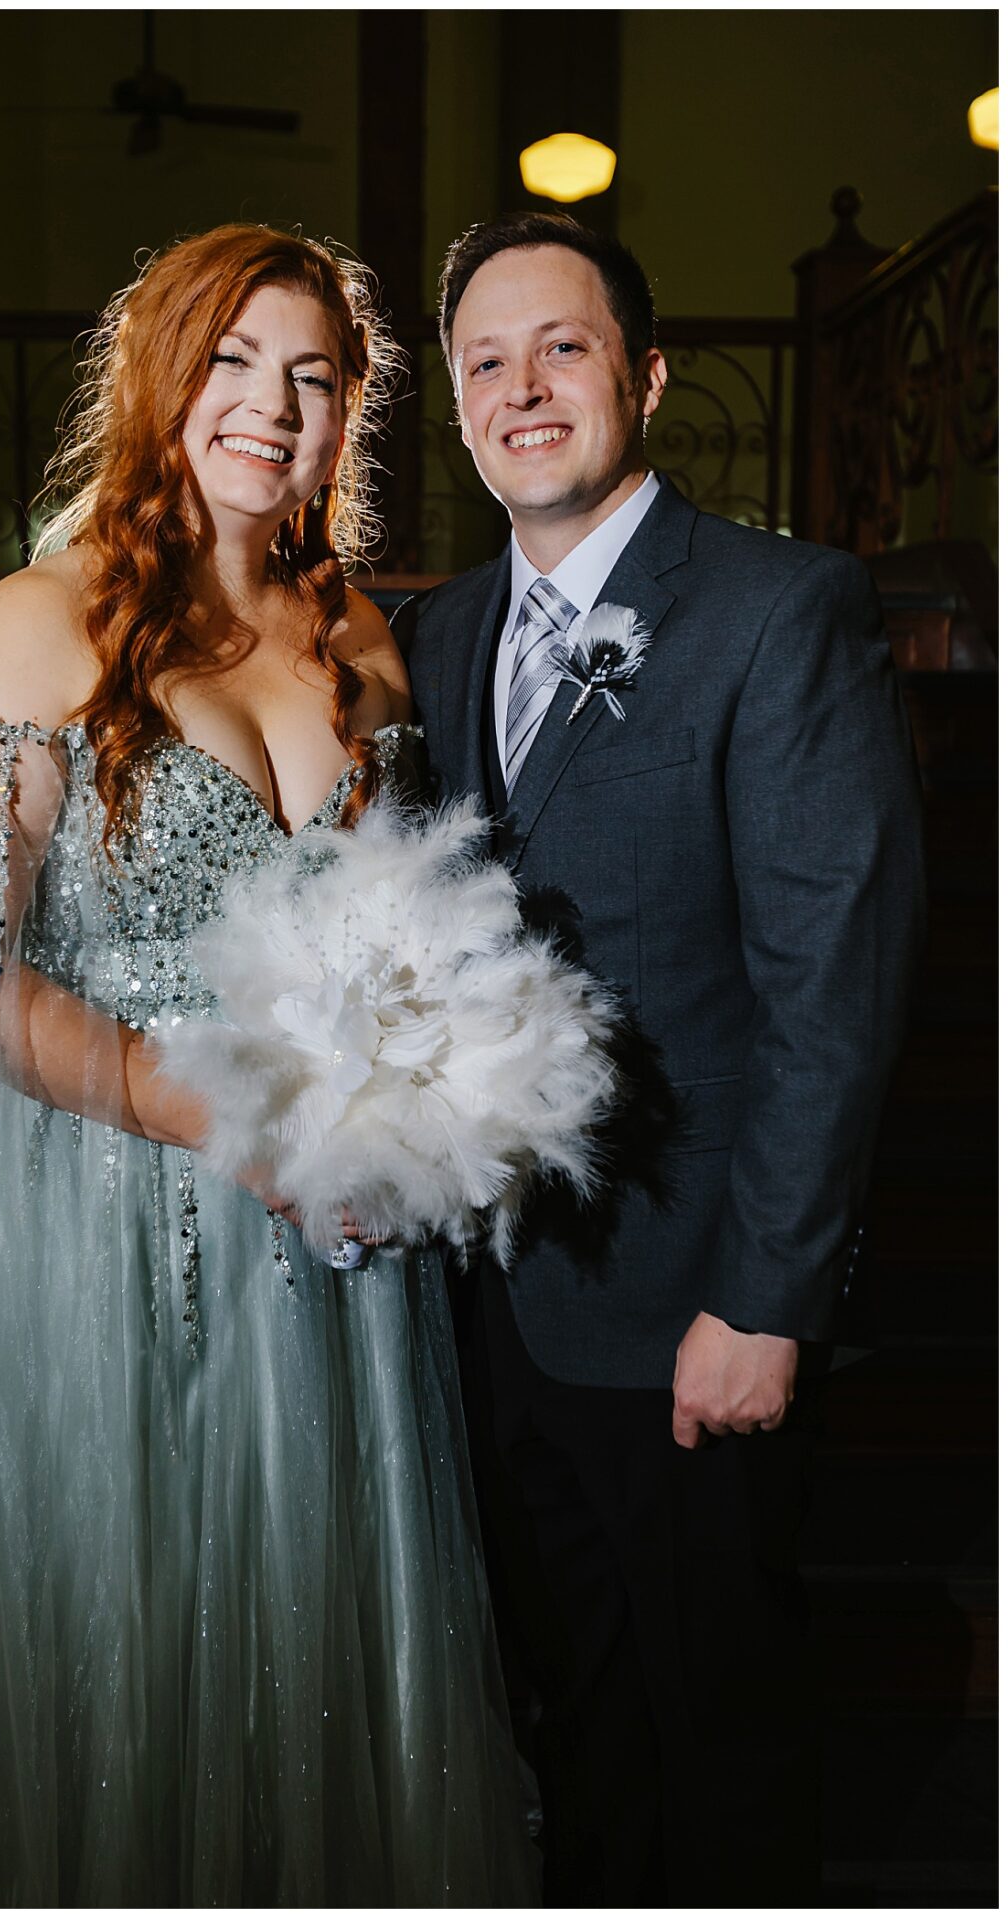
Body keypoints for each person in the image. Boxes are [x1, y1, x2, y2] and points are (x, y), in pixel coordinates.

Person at [0, 226, 538, 1905]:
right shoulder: (46, 619)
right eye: (237, 362)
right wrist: (212, 1108)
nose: (275, 404)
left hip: (321, 1241)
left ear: (349, 422)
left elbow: (396, 931)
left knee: (297, 1646)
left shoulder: (359, 636)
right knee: (114, 1622)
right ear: (162, 382)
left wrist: (406, 1106)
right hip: (96, 1202)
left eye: (316, 378)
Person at [396, 214, 924, 1905]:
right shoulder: (435, 633)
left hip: (697, 1301)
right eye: (486, 360)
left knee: (722, 1736)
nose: (522, 386)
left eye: (562, 346)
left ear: (646, 374)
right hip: (492, 1310)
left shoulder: (782, 608)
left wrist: (768, 1296)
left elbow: (829, 981)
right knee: (578, 1732)